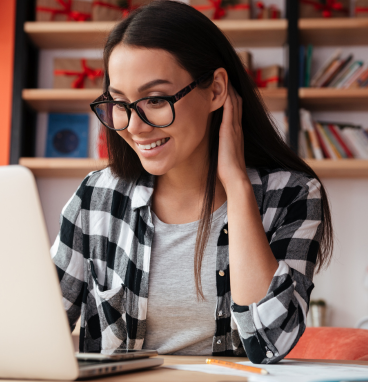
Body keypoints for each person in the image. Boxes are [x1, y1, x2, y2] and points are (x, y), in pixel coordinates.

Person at [51, 0, 333, 364]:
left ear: (215, 90)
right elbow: (38, 330)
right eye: (120, 102)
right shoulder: (97, 197)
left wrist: (237, 185)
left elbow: (270, 342)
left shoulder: (291, 194)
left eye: (154, 99)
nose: (135, 126)